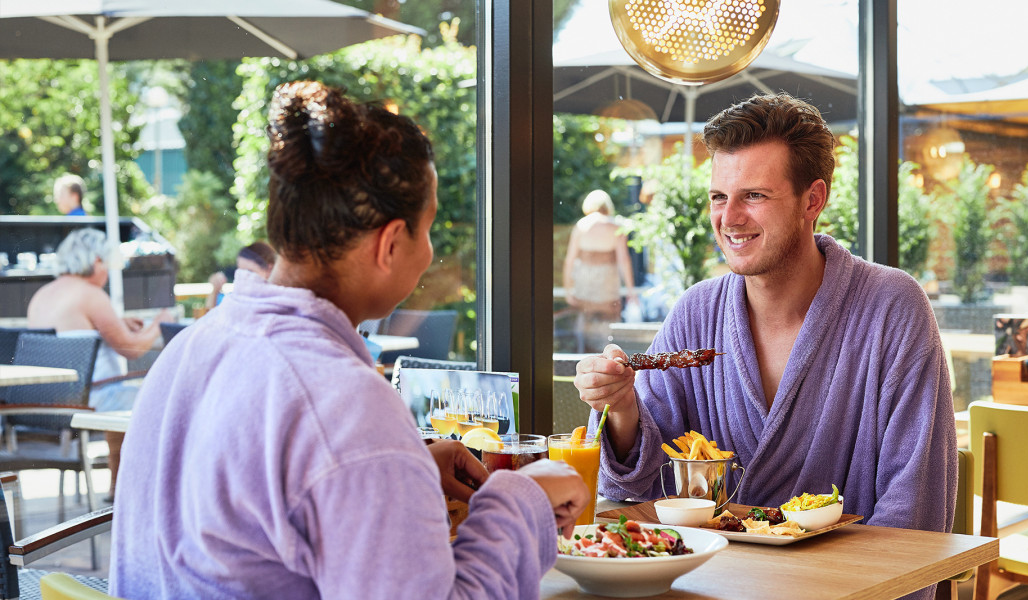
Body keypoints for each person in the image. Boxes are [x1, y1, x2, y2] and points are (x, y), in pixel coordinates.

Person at [110, 81, 589, 599]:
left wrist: (402, 474)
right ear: (389, 244)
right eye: (426, 231)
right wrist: (521, 497)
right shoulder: (345, 403)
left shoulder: (193, 347)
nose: (430, 255)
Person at [574, 94, 957, 576]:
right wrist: (623, 406)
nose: (729, 218)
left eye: (753, 196)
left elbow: (915, 503)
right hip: (709, 585)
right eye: (718, 197)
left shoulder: (891, 309)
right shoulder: (697, 312)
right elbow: (637, 483)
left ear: (812, 199)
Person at [26, 227, 173, 499]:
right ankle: (139, 491)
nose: (107, 274)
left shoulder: (42, 295)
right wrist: (159, 323)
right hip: (89, 397)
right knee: (157, 398)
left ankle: (119, 486)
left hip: (47, 402)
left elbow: (77, 333)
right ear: (96, 261)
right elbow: (131, 349)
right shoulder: (90, 294)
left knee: (129, 397)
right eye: (107, 265)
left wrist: (119, 324)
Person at [562, 189, 638, 352]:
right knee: (607, 333)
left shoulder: (581, 225)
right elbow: (624, 261)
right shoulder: (616, 226)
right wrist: (631, 290)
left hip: (585, 288)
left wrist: (568, 289)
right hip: (607, 288)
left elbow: (569, 261)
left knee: (583, 330)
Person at [204, 241, 277, 310]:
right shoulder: (237, 298)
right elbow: (210, 315)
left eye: (249, 271)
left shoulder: (276, 301)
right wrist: (215, 291)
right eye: (240, 272)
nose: (243, 277)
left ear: (269, 269)